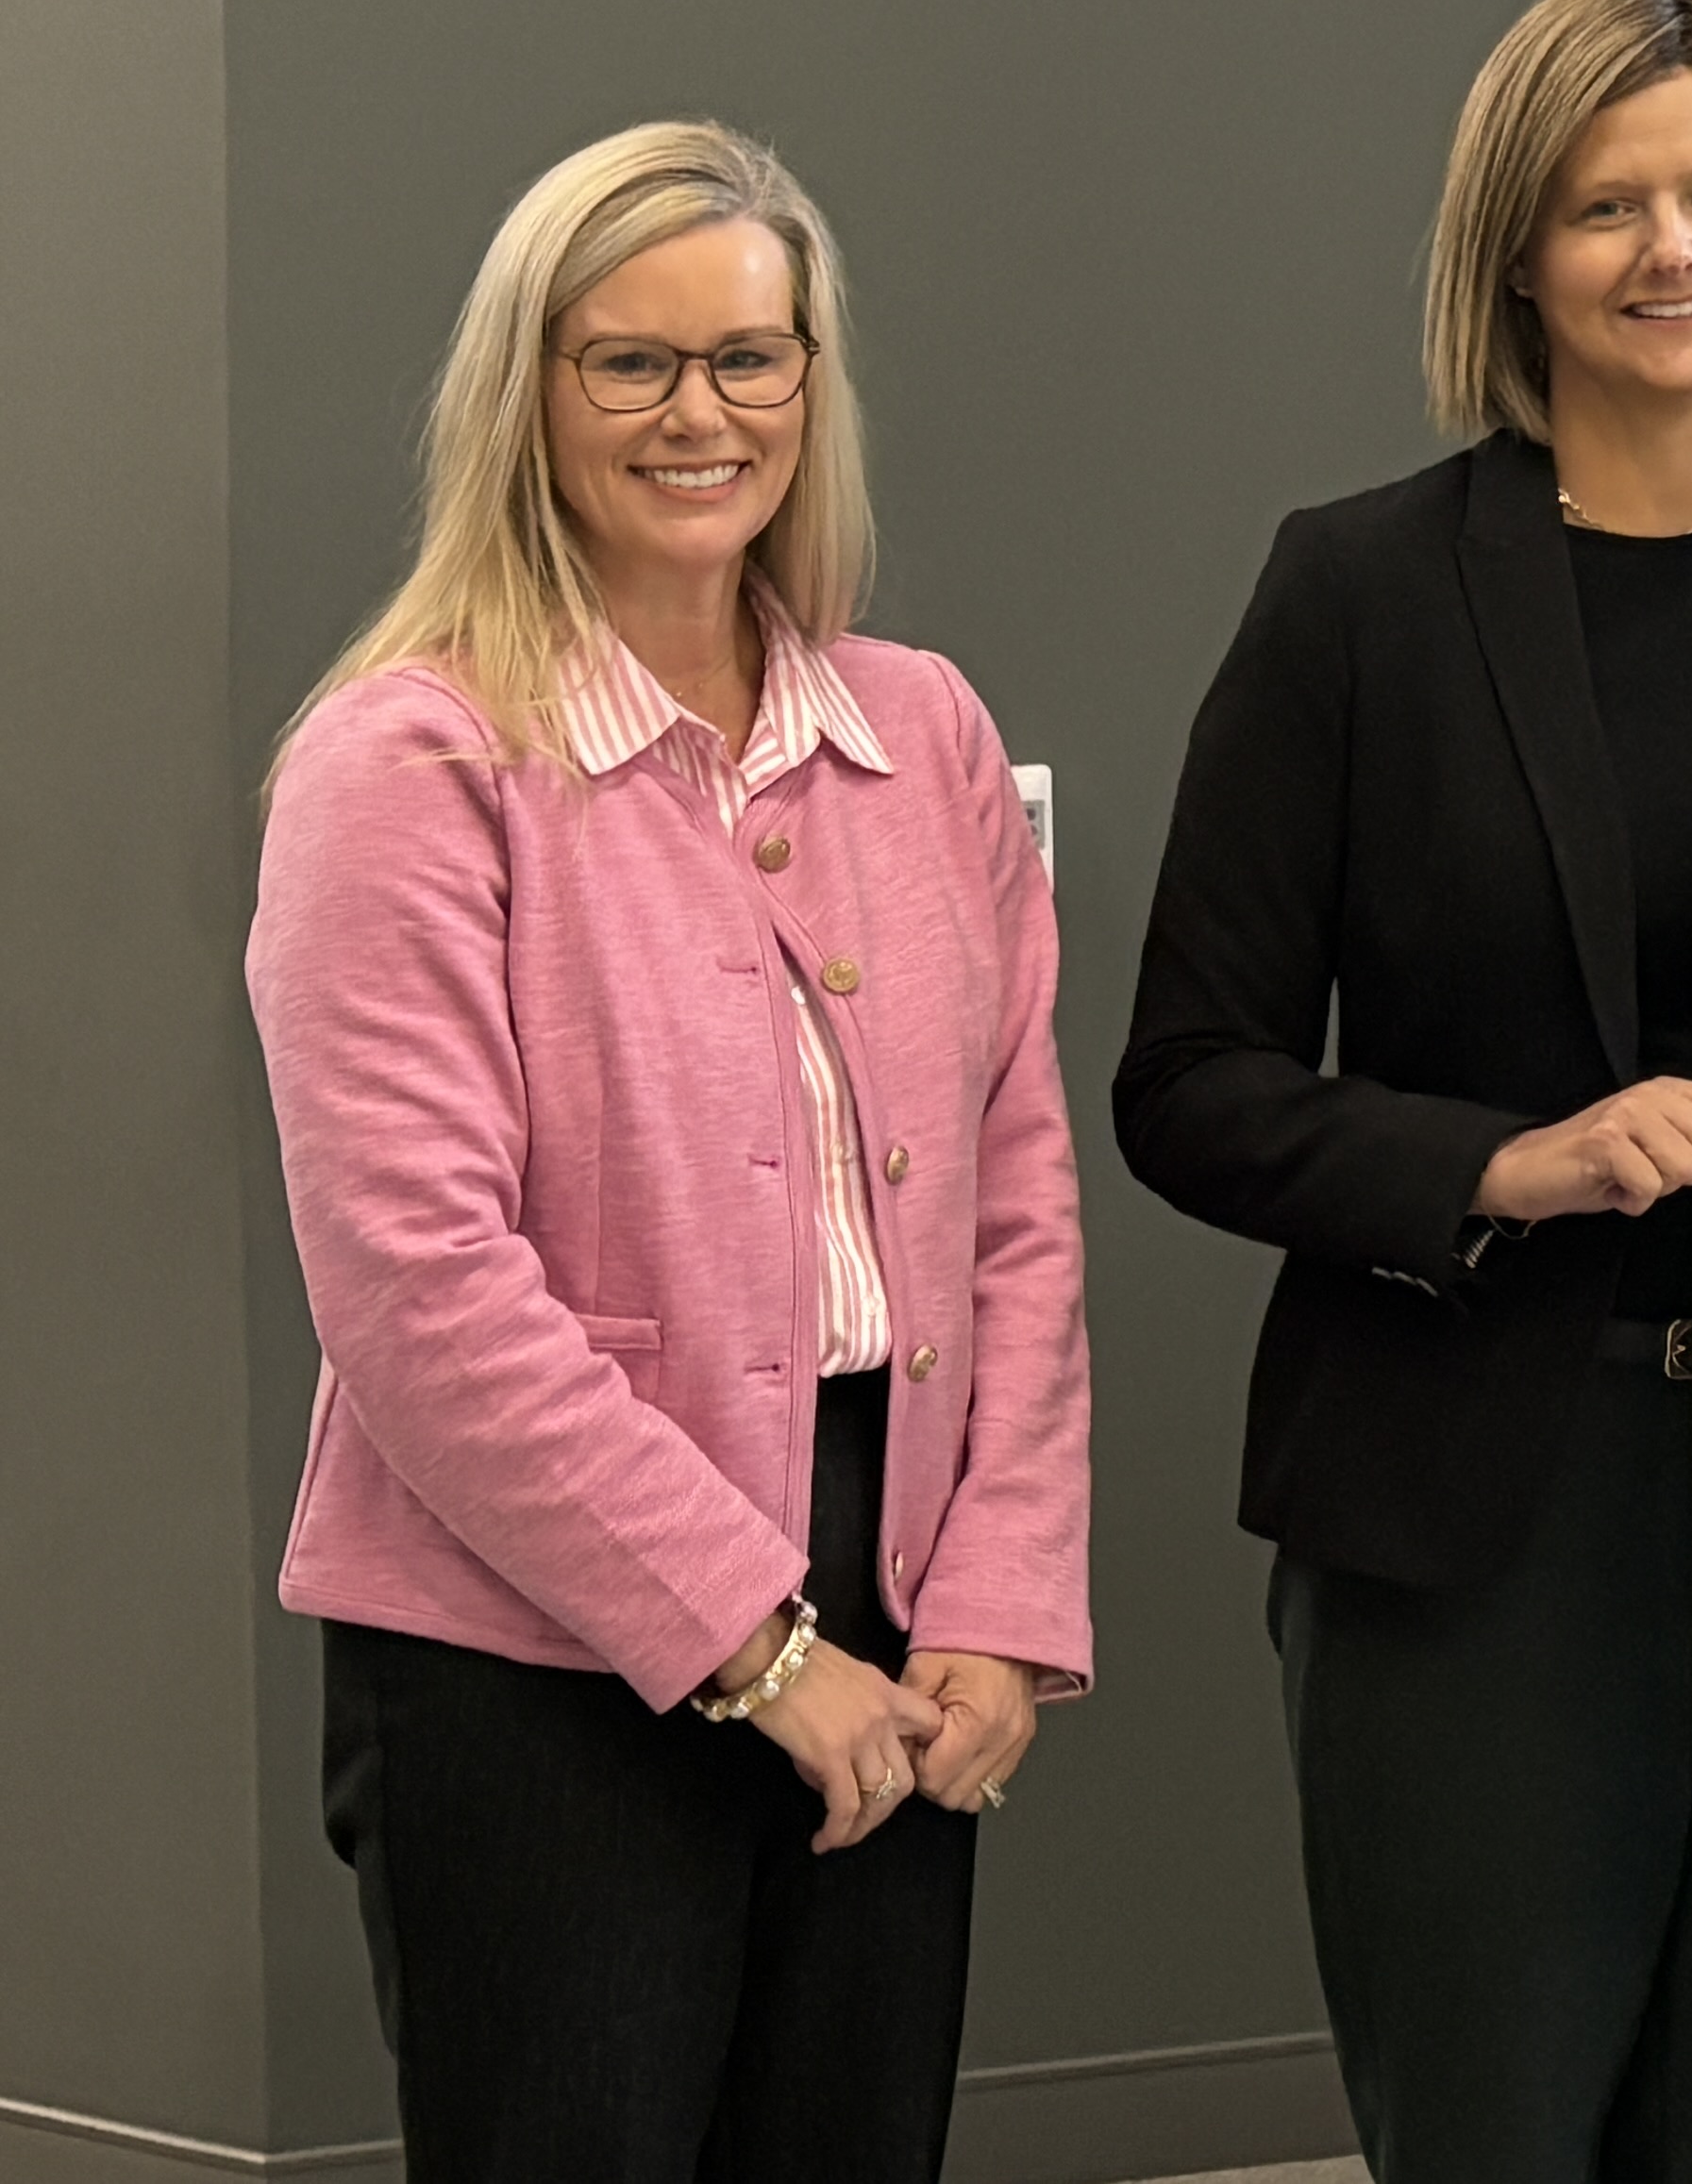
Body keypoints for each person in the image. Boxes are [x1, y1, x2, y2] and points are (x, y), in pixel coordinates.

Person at [1116, 0, 1692, 2184]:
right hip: (1487, 1510)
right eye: (1604, 205)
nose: (1671, 252)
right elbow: (1190, 1077)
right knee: (1499, 2134)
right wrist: (1502, 1166)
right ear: (1513, 254)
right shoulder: (1358, 592)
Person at [251, 121, 1090, 2184]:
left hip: (891, 1583)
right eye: (632, 364)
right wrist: (759, 1647)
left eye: (753, 357)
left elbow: (1015, 1204)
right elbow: (416, 1288)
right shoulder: (408, 762)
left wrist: (991, 1600)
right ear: (527, 394)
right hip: (529, 1656)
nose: (701, 413)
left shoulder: (929, 734)